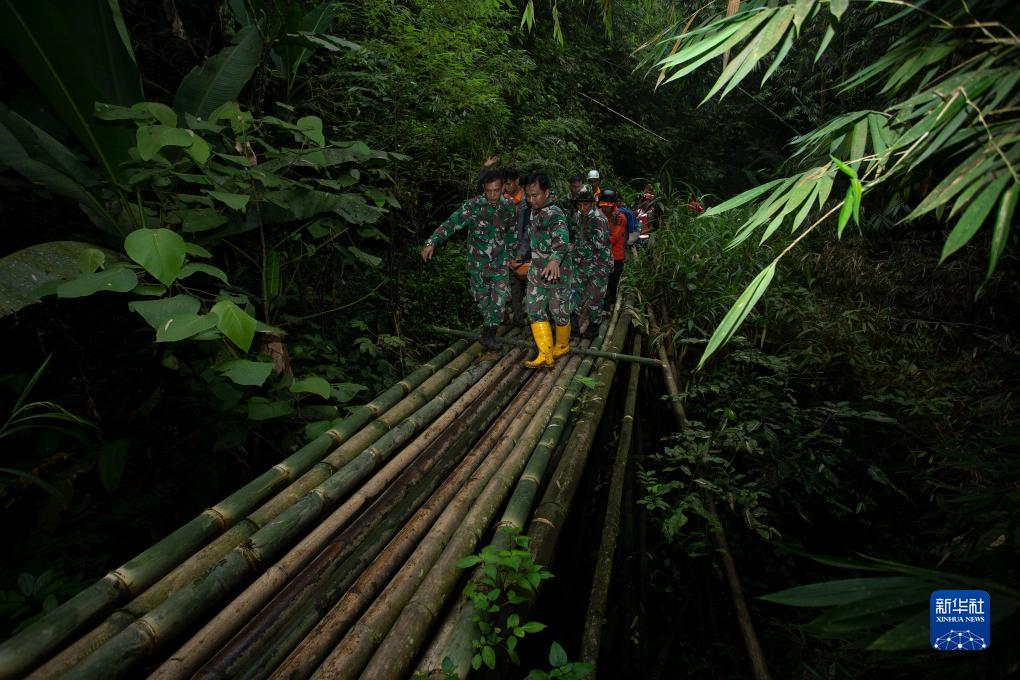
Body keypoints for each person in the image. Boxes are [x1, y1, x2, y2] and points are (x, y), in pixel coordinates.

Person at [421, 169, 515, 349]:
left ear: (503, 188)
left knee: (500, 299)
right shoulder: (474, 206)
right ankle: (489, 330)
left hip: (500, 262)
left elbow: (511, 231)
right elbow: (451, 223)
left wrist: (512, 254)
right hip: (478, 264)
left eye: (496, 190)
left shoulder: (509, 205)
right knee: (483, 300)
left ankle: (489, 335)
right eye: (488, 191)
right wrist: (432, 242)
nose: (492, 195)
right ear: (483, 189)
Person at [522, 172, 572, 369]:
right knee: (534, 309)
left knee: (558, 310)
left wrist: (555, 260)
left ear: (547, 192)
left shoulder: (555, 213)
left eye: (535, 195)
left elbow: (562, 240)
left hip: (556, 271)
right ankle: (544, 353)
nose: (531, 199)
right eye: (528, 195)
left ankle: (562, 345)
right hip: (537, 270)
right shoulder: (534, 210)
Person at [569, 186, 611, 339]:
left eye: (585, 204)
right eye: (580, 204)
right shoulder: (578, 216)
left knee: (595, 297)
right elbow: (576, 236)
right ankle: (573, 325)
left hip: (599, 264)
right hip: (582, 264)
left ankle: (594, 327)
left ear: (592, 204)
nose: (582, 207)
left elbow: (596, 244)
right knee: (576, 294)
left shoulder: (600, 219)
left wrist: (575, 252)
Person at [505, 168, 532, 327]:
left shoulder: (528, 201)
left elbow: (528, 231)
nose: (506, 188)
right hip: (511, 252)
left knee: (531, 286)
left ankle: (532, 320)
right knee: (514, 286)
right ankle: (518, 319)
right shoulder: (505, 201)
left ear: (517, 181)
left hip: (528, 252)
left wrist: (521, 253)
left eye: (508, 184)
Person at [597, 188, 627, 310]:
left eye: (609, 205)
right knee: (600, 281)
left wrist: (596, 241)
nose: (606, 208)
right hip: (600, 255)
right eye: (604, 205)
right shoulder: (597, 214)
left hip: (615, 255)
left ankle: (609, 305)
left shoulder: (620, 217)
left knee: (612, 282)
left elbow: (614, 238)